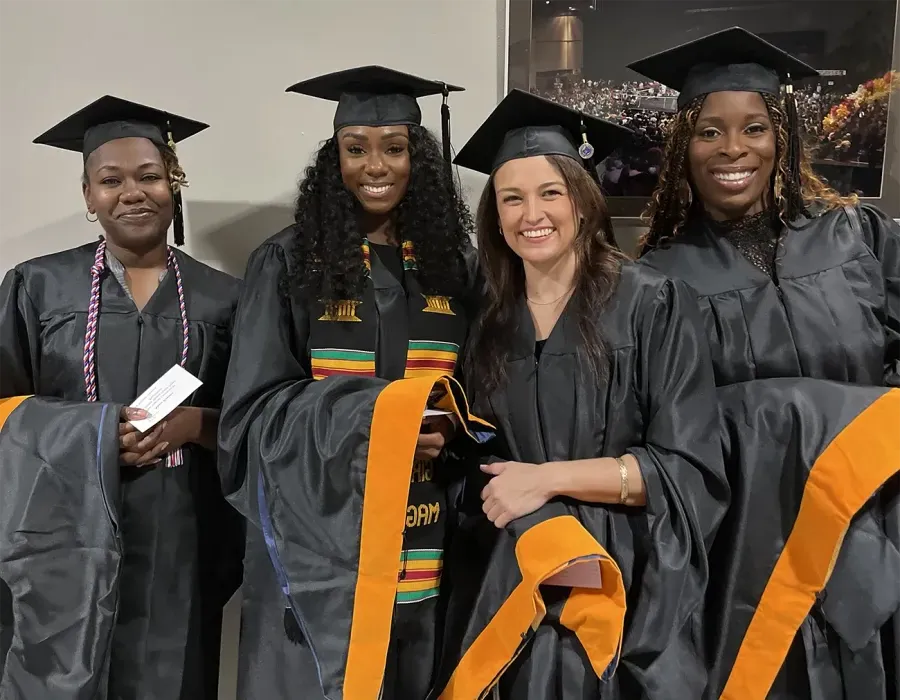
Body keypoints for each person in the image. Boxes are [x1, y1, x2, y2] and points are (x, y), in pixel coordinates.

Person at [432, 88, 730, 699]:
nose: (530, 214)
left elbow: (689, 469)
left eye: (550, 192)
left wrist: (547, 480)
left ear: (583, 200)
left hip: (624, 571)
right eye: (511, 198)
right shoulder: (486, 317)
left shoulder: (653, 303)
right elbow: (477, 454)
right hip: (513, 567)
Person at [630, 27, 900, 698]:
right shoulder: (658, 282)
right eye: (709, 133)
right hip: (747, 556)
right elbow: (666, 433)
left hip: (874, 523)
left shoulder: (857, 237)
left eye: (754, 128)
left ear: (782, 137)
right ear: (682, 149)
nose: (733, 150)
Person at [217, 66, 484, 700]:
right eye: (355, 148)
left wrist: (452, 429)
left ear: (418, 157)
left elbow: (483, 394)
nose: (376, 165)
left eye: (394, 148)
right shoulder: (287, 262)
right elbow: (248, 419)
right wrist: (378, 423)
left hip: (429, 537)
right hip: (320, 539)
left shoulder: (454, 267)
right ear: (332, 158)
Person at [0, 96, 243, 698]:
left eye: (149, 176)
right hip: (61, 531)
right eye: (110, 180)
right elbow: (3, 411)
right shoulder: (35, 285)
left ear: (173, 183)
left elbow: (258, 417)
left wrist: (195, 424)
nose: (132, 192)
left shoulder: (226, 298)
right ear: (88, 196)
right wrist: (95, 432)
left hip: (181, 534)